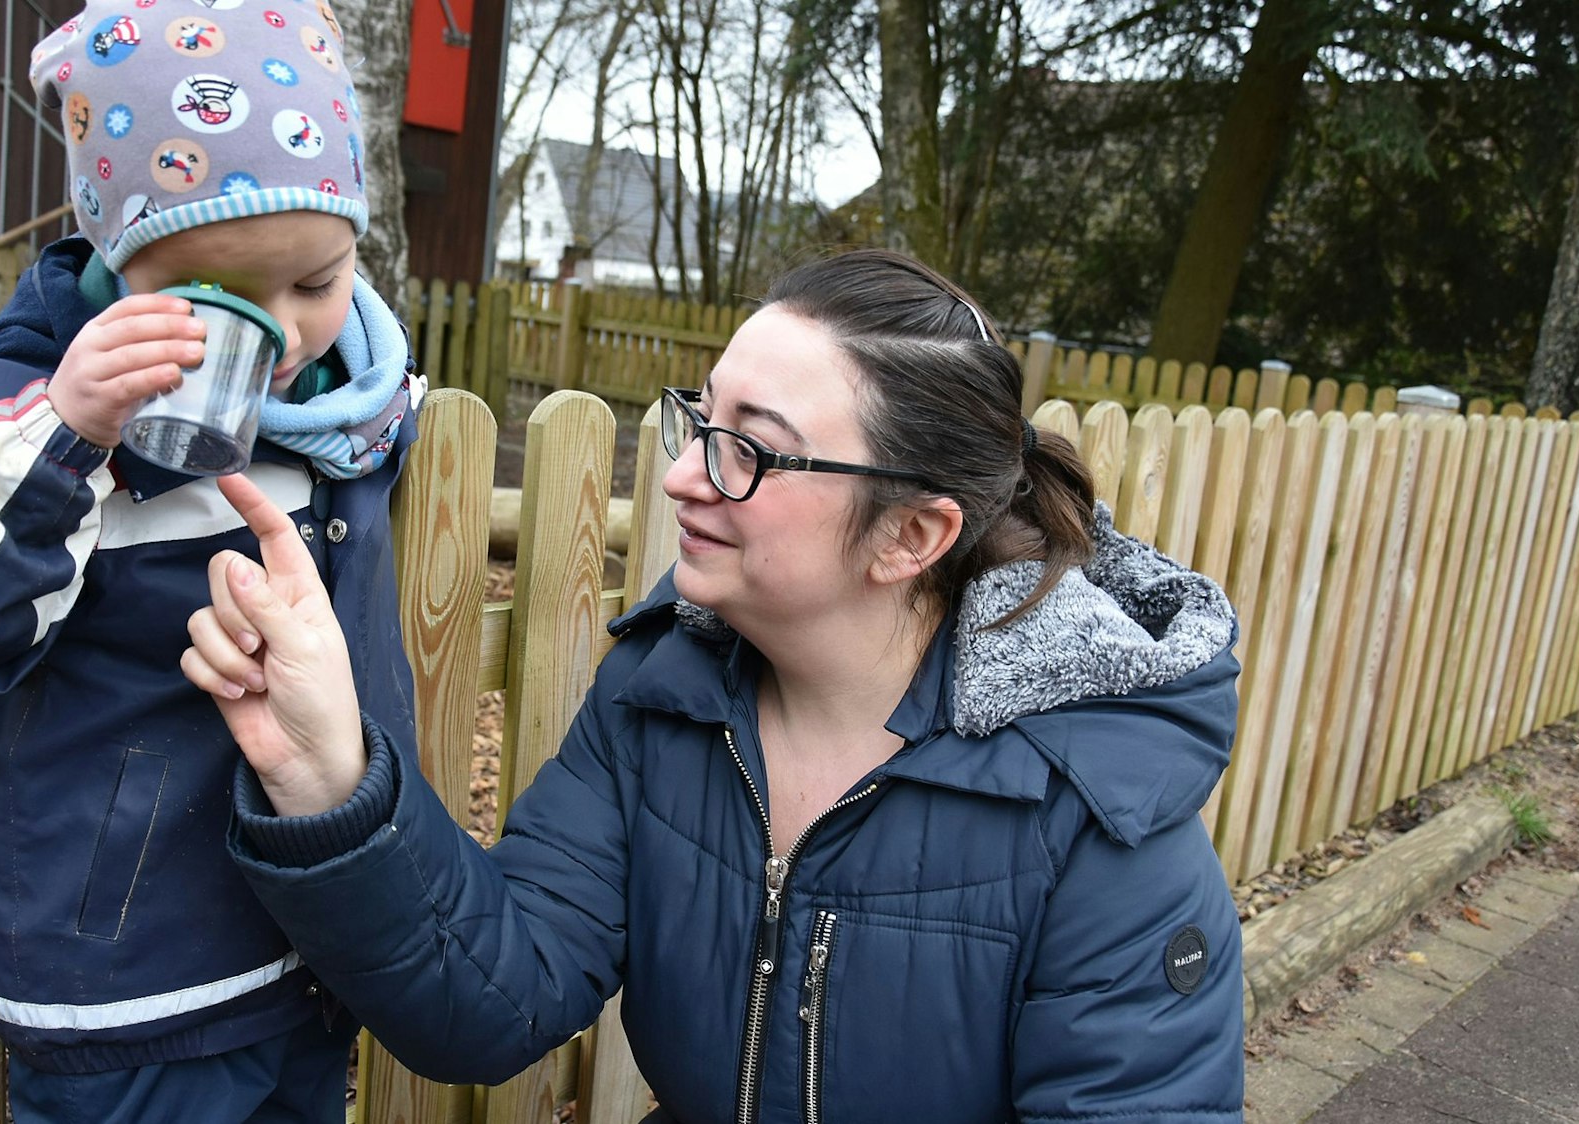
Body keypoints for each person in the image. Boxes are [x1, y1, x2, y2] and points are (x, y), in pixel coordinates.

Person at [190, 249, 1246, 1121]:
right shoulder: (664, 692)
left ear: (912, 535)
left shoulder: (1094, 809)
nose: (682, 474)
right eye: (699, 419)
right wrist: (330, 775)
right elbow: (490, 997)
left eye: (749, 449)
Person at [0, 2, 420, 1119]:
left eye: (319, 278)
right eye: (226, 294)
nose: (286, 335)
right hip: (129, 995)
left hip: (317, 954)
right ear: (117, 258)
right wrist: (66, 434)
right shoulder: (21, 414)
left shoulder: (351, 409)